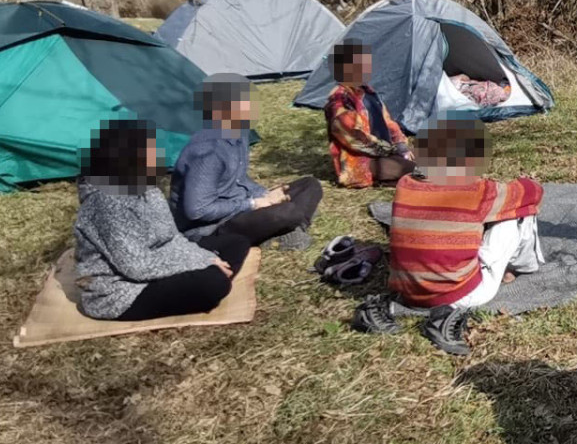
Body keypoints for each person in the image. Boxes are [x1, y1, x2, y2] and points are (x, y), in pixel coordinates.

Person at [352, 116, 545, 355]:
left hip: (406, 291)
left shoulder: (405, 183)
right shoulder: (479, 190)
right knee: (517, 214)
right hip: (461, 294)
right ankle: (523, 267)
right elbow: (532, 194)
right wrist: (526, 182)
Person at [72, 119, 257, 321]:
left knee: (237, 242)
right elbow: (136, 267)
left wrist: (202, 258)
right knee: (213, 283)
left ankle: (216, 272)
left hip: (158, 261)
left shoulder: (148, 189)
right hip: (123, 290)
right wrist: (202, 261)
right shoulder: (104, 203)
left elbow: (172, 238)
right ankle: (216, 275)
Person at [169, 74, 322, 249]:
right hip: (211, 228)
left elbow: (239, 180)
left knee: (310, 185)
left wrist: (264, 194)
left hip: (240, 205)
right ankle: (284, 228)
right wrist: (253, 204)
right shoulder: (208, 152)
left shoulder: (239, 132)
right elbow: (197, 210)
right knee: (287, 211)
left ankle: (288, 229)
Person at [325, 42, 415, 189]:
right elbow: (356, 139)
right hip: (363, 162)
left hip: (386, 152)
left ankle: (395, 177)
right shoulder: (339, 101)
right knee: (417, 170)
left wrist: (401, 144)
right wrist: (392, 150)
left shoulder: (369, 92)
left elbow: (389, 122)